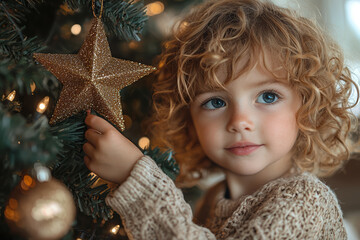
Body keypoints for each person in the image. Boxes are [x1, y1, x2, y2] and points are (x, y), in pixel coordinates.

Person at [82, 0, 359, 239]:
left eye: (268, 97)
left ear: (308, 104)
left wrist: (137, 180)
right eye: (216, 102)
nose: (239, 121)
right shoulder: (215, 197)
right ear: (188, 117)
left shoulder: (305, 201)